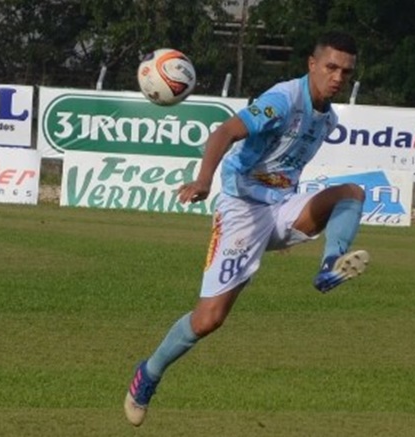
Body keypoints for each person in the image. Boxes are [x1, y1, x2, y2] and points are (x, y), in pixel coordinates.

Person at [124, 30, 369, 427]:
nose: (338, 77)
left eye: (346, 71)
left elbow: (285, 168)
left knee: (351, 192)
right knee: (209, 319)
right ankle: (147, 374)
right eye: (331, 67)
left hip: (281, 207)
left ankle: (331, 264)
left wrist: (288, 222)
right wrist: (204, 181)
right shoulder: (282, 100)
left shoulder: (328, 119)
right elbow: (224, 132)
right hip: (242, 209)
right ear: (312, 64)